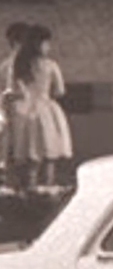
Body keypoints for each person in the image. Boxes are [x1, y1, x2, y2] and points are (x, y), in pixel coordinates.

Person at [10, 24, 73, 189]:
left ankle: (30, 187)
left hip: (25, 111)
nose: (49, 47)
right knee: (49, 152)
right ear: (40, 44)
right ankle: (47, 187)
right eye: (47, 43)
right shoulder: (50, 65)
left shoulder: (19, 65)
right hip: (46, 110)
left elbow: (16, 89)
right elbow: (60, 91)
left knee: (31, 152)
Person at [0, 22, 30, 187]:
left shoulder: (8, 64)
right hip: (17, 109)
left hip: (18, 109)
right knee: (16, 147)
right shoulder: (13, 64)